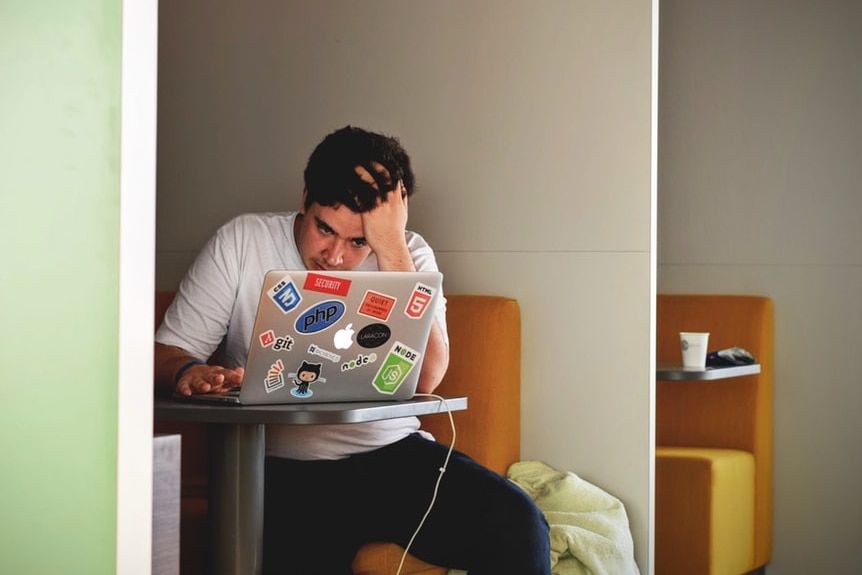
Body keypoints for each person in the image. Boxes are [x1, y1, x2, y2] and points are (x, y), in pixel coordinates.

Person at [154, 125, 550, 574]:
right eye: (325, 229)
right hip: (281, 469)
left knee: (519, 523)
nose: (335, 256)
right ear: (305, 199)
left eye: (358, 240)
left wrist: (390, 247)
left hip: (392, 456)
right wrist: (188, 370)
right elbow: (166, 352)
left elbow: (427, 378)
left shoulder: (408, 254)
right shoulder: (242, 241)